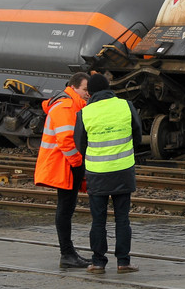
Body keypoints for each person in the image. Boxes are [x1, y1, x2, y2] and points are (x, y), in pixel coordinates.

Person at [74, 73, 142, 274]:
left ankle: (97, 262)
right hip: (123, 170)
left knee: (98, 220)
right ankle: (123, 262)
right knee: (122, 219)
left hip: (98, 173)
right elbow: (137, 135)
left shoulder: (85, 112)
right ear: (109, 88)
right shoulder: (125, 106)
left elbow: (80, 144)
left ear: (91, 92)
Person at [34, 72, 92, 269]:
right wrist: (78, 164)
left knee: (66, 208)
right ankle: (67, 254)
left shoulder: (71, 104)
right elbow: (66, 140)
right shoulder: (67, 106)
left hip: (64, 164)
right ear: (74, 87)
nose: (88, 94)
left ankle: (68, 253)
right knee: (65, 209)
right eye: (85, 89)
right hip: (65, 165)